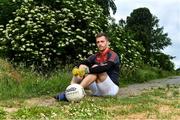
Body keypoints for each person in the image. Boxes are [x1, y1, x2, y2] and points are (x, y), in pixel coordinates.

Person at [54, 33, 120, 101]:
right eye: (98, 42)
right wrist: (76, 68)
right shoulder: (95, 56)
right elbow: (82, 63)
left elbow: (106, 68)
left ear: (107, 42)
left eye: (102, 41)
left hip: (111, 90)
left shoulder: (113, 55)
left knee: (95, 67)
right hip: (97, 91)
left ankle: (72, 92)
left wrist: (87, 71)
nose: (100, 44)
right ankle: (71, 88)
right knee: (82, 66)